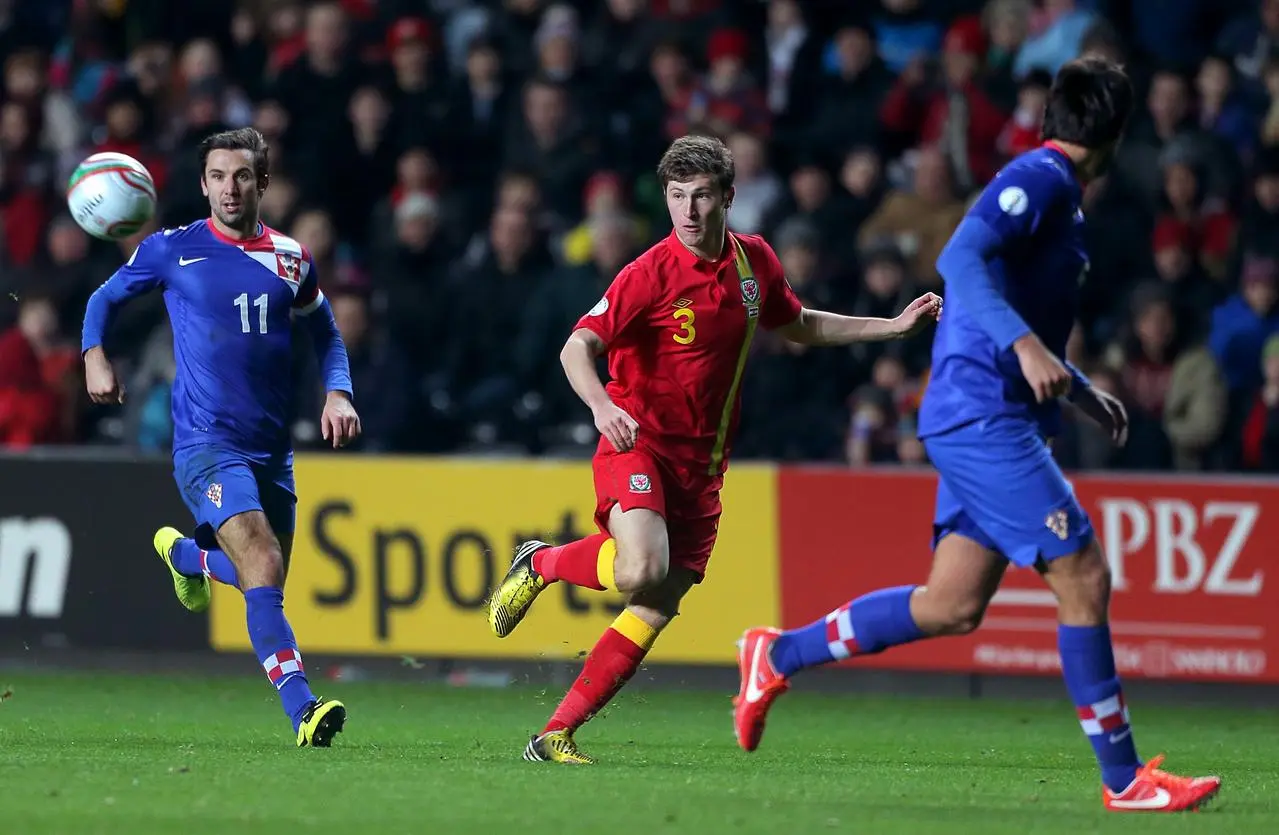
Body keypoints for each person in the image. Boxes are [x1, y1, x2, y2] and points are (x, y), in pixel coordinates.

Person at [732, 58, 1222, 813]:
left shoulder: (1063, 199)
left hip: (988, 411)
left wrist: (1080, 388)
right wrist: (1027, 350)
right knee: (1082, 574)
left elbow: (1006, 302)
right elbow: (959, 257)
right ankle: (1124, 780)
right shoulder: (1042, 177)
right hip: (981, 412)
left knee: (950, 603)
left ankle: (777, 651)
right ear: (1114, 135)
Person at [486, 133, 942, 764]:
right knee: (640, 567)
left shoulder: (753, 261)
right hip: (638, 443)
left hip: (703, 469)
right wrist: (601, 405)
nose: (688, 211)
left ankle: (553, 735)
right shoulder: (647, 273)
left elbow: (799, 323)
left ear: (729, 197)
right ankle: (540, 564)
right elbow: (576, 347)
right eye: (677, 197)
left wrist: (889, 328)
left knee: (655, 601)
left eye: (701, 196)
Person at [81, 127, 361, 748]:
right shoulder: (170, 250)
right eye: (217, 177)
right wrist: (94, 354)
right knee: (260, 560)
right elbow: (103, 299)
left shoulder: (291, 257)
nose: (228, 189)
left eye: (240, 176)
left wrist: (337, 390)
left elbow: (325, 332)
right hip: (206, 442)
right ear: (203, 184)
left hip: (272, 449)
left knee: (267, 573)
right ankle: (304, 710)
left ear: (262, 182)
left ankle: (186, 556)